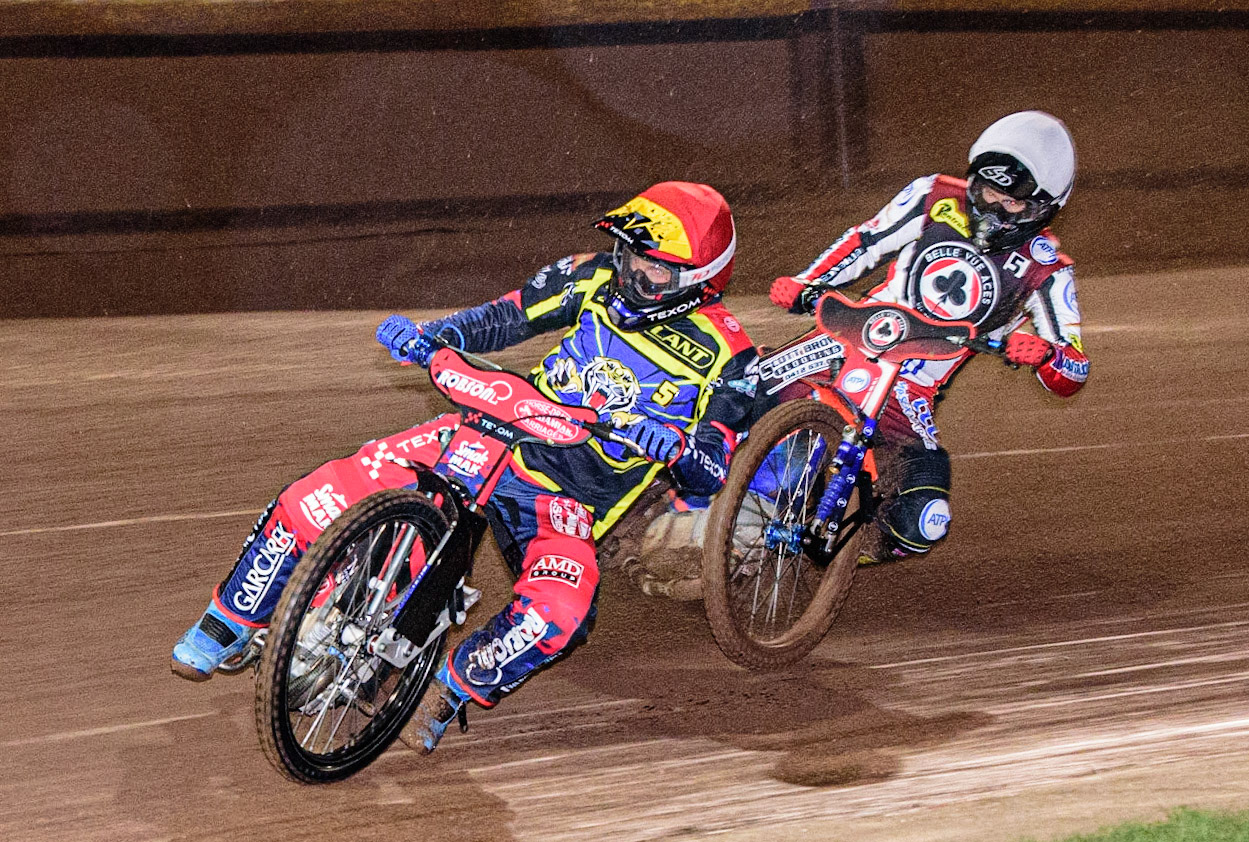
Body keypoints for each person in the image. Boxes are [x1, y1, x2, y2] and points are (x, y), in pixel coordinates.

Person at [171, 181, 760, 752]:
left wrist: (677, 448)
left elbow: (711, 470)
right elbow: (506, 317)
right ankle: (229, 621)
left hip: (565, 500)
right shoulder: (593, 275)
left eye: (652, 266)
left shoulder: (731, 355)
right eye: (628, 253)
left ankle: (445, 692)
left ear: (698, 280)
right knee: (314, 498)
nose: (631, 272)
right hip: (493, 429)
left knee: (560, 612)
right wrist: (432, 335)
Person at [767, 110, 1090, 560]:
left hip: (910, 388)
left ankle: (845, 557)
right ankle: (687, 493)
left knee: (923, 521)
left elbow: (1074, 367)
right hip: (848, 339)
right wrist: (807, 282)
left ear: (1043, 208)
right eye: (986, 191)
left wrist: (1045, 355)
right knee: (739, 388)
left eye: (1011, 202)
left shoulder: (1048, 267)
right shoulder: (933, 194)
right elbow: (867, 241)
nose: (993, 208)